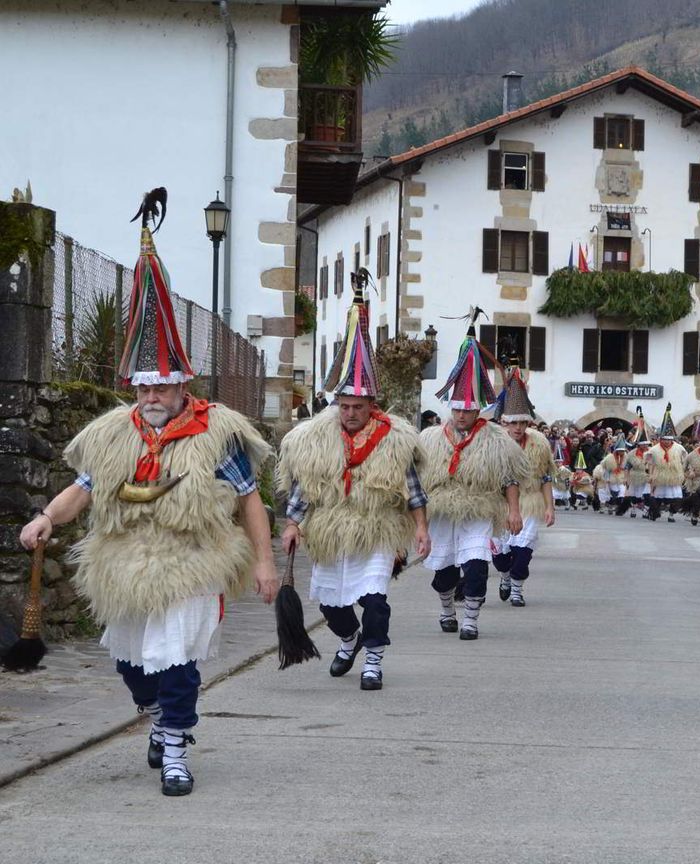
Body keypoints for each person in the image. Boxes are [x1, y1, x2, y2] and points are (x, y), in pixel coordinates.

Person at [20, 194, 275, 796]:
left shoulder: (221, 433)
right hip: (124, 560)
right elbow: (83, 489)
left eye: (163, 383)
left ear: (182, 382)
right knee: (133, 662)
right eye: (143, 385)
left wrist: (263, 562)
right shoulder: (113, 434)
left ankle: (179, 745)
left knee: (177, 656)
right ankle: (158, 720)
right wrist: (44, 519)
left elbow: (250, 499)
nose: (153, 394)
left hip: (193, 560)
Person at [278, 279, 429, 691]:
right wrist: (292, 525)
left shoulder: (395, 439)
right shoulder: (316, 439)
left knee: (375, 600)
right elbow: (303, 487)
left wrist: (419, 527)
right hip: (330, 529)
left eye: (357, 407)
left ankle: (373, 662)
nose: (349, 414)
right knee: (332, 603)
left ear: (371, 406)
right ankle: (349, 640)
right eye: (344, 407)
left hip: (376, 527)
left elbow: (413, 488)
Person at [420, 322, 527, 640]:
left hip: (479, 509)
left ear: (478, 409)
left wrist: (514, 510)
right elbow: (419, 482)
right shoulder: (431, 439)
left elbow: (509, 476)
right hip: (442, 512)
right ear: (450, 408)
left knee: (477, 566)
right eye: (457, 409)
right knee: (445, 573)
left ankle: (471, 619)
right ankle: (446, 610)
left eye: (467, 410)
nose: (462, 415)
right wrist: (419, 523)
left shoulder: (496, 439)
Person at [488, 361, 555, 608]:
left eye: (522, 423)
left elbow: (546, 477)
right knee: (501, 557)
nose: (518, 428)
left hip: (530, 502)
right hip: (499, 505)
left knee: (523, 552)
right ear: (504, 422)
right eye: (513, 423)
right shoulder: (493, 443)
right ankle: (505, 577)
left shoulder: (539, 443)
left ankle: (517, 588)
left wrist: (549, 507)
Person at [646, 404, 686, 522]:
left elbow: (684, 461)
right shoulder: (654, 450)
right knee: (658, 497)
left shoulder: (680, 448)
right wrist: (651, 475)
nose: (667, 442)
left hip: (674, 476)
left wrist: (684, 472)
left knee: (676, 497)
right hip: (660, 476)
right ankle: (654, 512)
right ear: (661, 439)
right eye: (665, 439)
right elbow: (649, 463)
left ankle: (671, 514)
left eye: (669, 440)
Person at [624, 408, 652, 518]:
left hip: (647, 476)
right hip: (635, 476)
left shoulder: (651, 452)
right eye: (643, 444)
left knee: (647, 494)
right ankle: (634, 509)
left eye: (647, 444)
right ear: (639, 444)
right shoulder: (632, 454)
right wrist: (626, 478)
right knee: (635, 495)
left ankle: (647, 511)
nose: (646, 446)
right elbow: (627, 466)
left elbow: (654, 465)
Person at [600, 435, 630, 513]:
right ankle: (610, 504)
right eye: (620, 451)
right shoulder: (609, 458)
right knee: (614, 492)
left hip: (621, 476)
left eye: (623, 451)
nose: (622, 452)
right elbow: (606, 468)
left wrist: (626, 478)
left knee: (622, 491)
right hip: (612, 477)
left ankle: (618, 506)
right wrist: (607, 479)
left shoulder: (626, 457)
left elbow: (627, 468)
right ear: (616, 450)